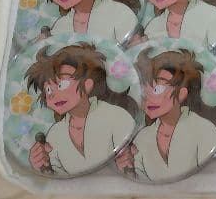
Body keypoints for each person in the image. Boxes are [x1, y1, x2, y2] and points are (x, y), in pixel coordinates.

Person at [24, 43, 138, 176]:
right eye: (48, 89)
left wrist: (129, 164)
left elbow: (134, 161)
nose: (53, 94)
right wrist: (42, 166)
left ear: (88, 84)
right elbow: (59, 175)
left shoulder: (117, 117)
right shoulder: (55, 134)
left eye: (62, 84)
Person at [115, 48, 216, 181]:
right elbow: (142, 180)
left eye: (157, 89)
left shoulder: (205, 130)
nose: (147, 97)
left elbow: (210, 179)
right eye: (143, 89)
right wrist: (128, 169)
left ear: (181, 94)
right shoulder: (142, 137)